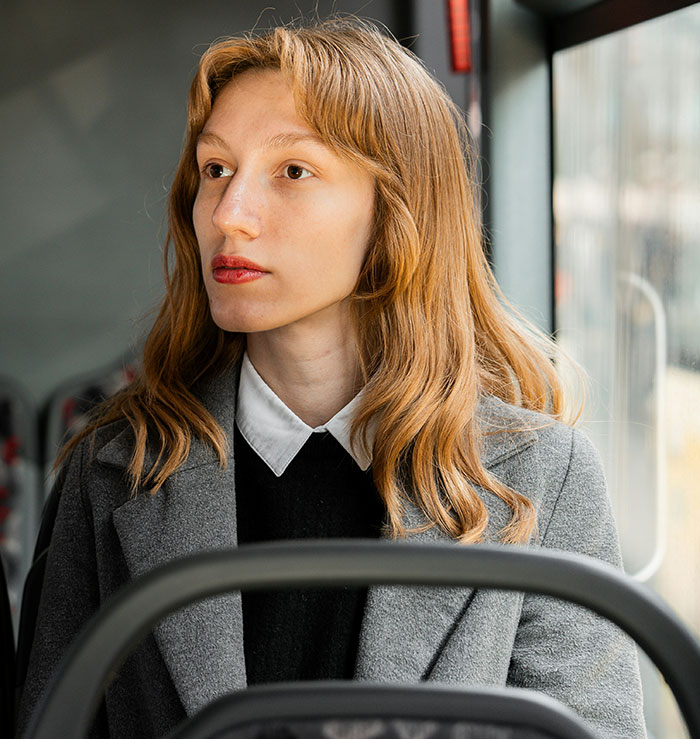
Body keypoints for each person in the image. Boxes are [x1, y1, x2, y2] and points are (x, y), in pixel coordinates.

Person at [18, 16, 646, 739]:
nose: (229, 214)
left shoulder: (543, 474)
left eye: (292, 171)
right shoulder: (113, 466)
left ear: (395, 213)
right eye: (215, 169)